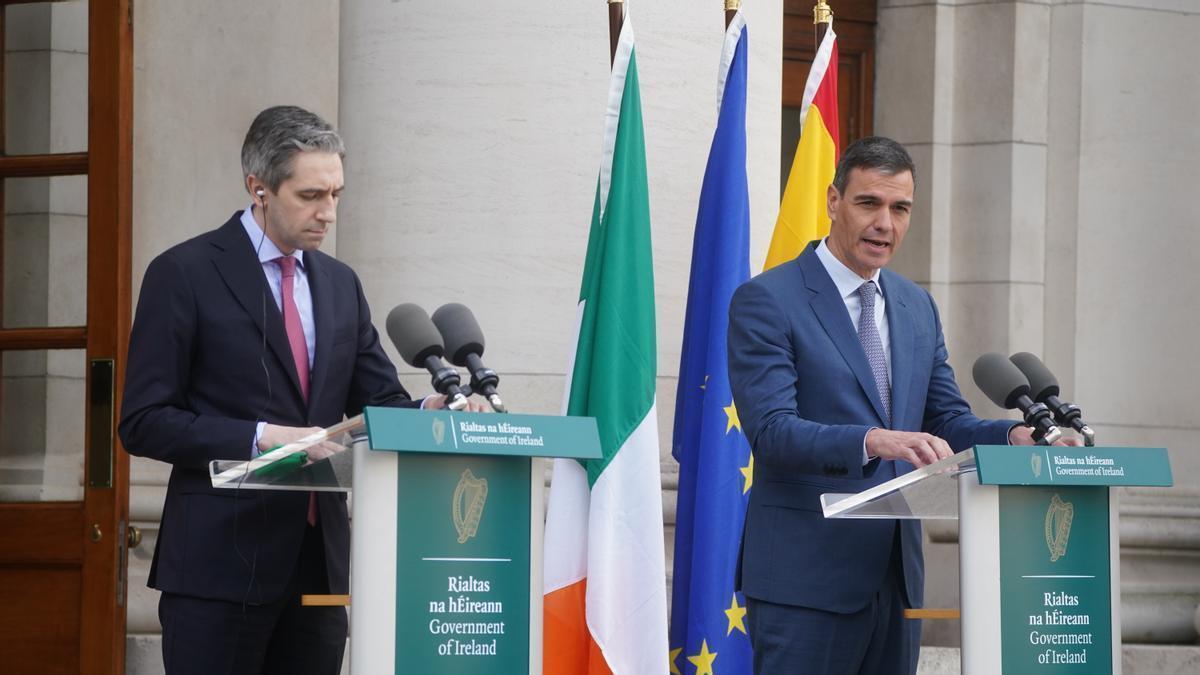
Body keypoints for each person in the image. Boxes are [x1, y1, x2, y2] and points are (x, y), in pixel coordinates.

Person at [119, 105, 481, 675]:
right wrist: (264, 437)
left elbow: (378, 405)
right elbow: (143, 420)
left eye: (336, 193)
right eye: (311, 195)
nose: (328, 212)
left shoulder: (340, 284)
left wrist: (432, 408)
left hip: (320, 574)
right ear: (257, 188)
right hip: (218, 569)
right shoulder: (183, 273)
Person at [727, 136, 1067, 674]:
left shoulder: (915, 305)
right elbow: (772, 431)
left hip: (896, 578)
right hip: (806, 581)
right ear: (833, 201)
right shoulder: (769, 300)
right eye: (869, 203)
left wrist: (1012, 438)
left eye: (900, 208)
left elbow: (944, 420)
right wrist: (871, 440)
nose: (885, 223)